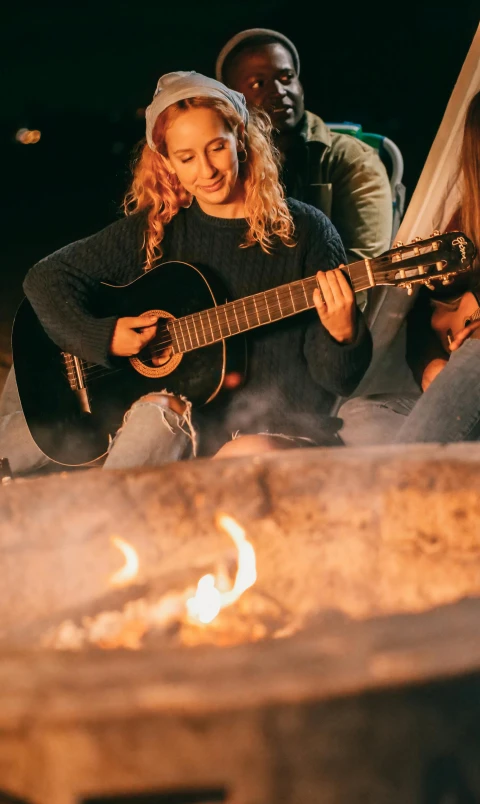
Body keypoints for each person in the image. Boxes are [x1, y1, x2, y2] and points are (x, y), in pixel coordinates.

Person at [0, 71, 373, 475]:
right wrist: (104, 336)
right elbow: (45, 279)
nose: (207, 170)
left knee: (185, 430)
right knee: (19, 432)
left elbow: (338, 382)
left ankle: (99, 523)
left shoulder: (306, 233)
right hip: (153, 418)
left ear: (241, 142)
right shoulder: (157, 228)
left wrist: (343, 334)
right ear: (166, 163)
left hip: (266, 433)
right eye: (187, 157)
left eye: (217, 148)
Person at [338, 90, 480, 446]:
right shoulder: (465, 222)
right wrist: (431, 365)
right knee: (358, 415)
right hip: (463, 390)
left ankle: (410, 483)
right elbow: (419, 317)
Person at [215, 28, 393, 264]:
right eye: (259, 83)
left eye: (287, 77)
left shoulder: (350, 159)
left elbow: (366, 263)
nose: (279, 91)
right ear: (231, 100)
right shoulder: (223, 163)